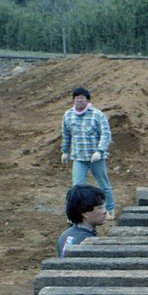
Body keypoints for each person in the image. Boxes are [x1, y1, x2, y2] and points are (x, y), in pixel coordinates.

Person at [60, 87, 116, 217]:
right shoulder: (68, 115)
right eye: (77, 98)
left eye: (82, 98)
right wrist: (65, 151)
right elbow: (66, 135)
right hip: (79, 157)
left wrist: (100, 151)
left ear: (87, 100)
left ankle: (110, 209)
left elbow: (106, 134)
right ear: (73, 100)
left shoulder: (97, 115)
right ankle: (77, 213)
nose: (79, 100)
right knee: (77, 187)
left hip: (96, 158)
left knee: (104, 185)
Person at [57, 184, 108, 257]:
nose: (104, 211)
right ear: (84, 213)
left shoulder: (65, 235)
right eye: (99, 208)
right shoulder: (87, 242)